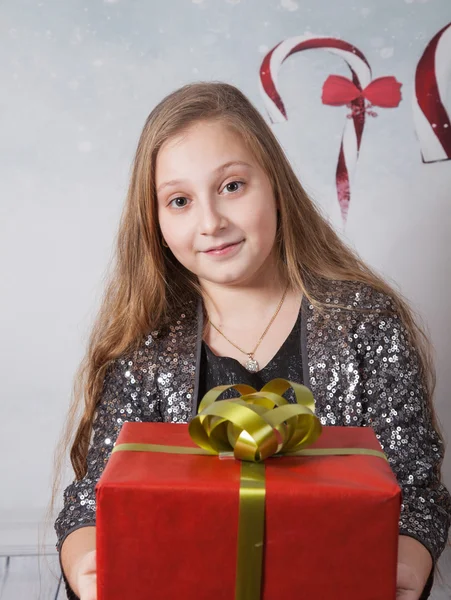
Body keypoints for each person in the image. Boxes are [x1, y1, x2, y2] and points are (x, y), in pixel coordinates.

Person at [52, 81, 451, 600]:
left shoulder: (364, 323)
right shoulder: (145, 346)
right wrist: (88, 562)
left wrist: (406, 561)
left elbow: (417, 490)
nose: (211, 222)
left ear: (276, 185)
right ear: (155, 223)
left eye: (232, 186)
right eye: (179, 200)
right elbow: (91, 501)